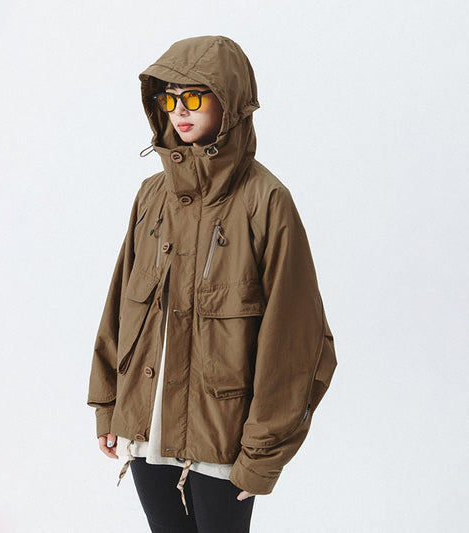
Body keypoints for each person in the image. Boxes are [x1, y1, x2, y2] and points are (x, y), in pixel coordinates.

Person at [87, 35, 337, 532]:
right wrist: (108, 403)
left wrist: (262, 454)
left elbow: (296, 341)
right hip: (146, 427)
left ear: (231, 101)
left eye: (194, 97)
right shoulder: (152, 195)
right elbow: (119, 307)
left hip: (222, 438)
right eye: (170, 99)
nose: (179, 111)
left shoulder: (266, 201)